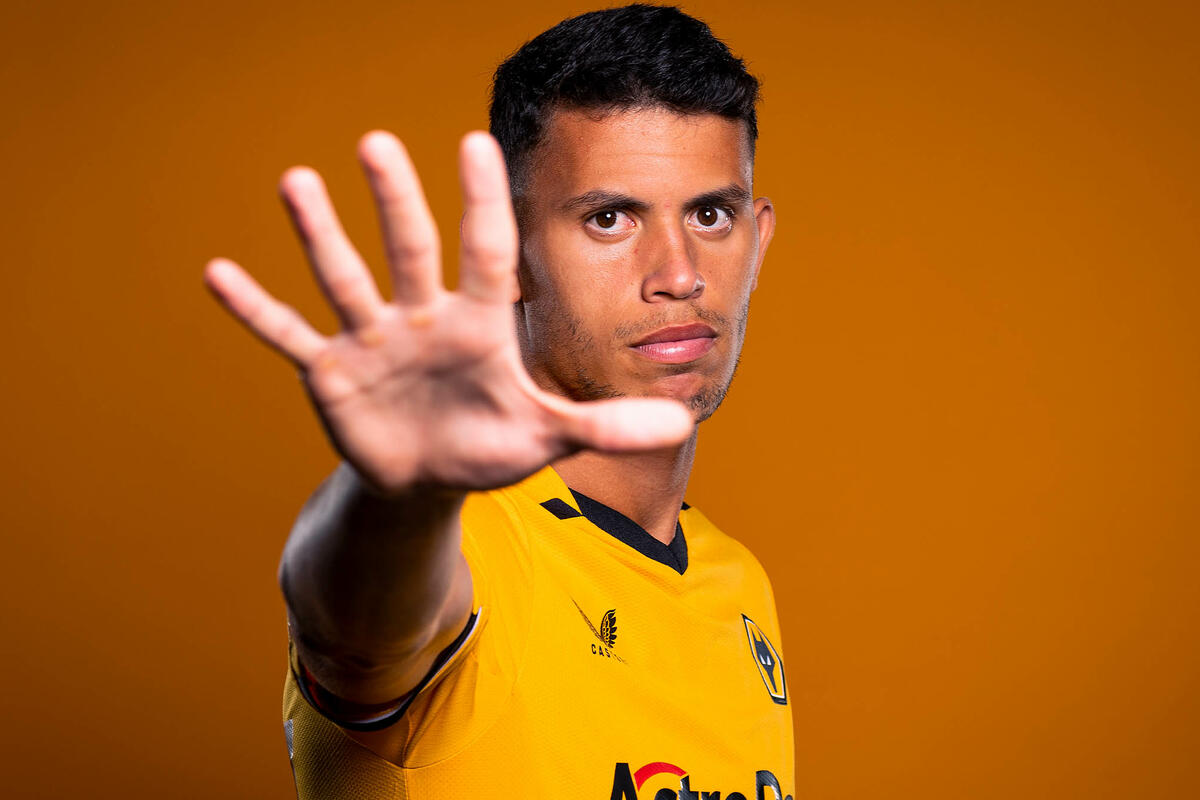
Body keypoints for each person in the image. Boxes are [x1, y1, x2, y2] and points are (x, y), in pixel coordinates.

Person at [204, 5, 792, 798]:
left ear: (758, 240)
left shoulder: (739, 583)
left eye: (711, 215)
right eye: (610, 219)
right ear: (508, 251)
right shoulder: (462, 546)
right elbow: (354, 634)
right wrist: (398, 492)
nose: (679, 274)